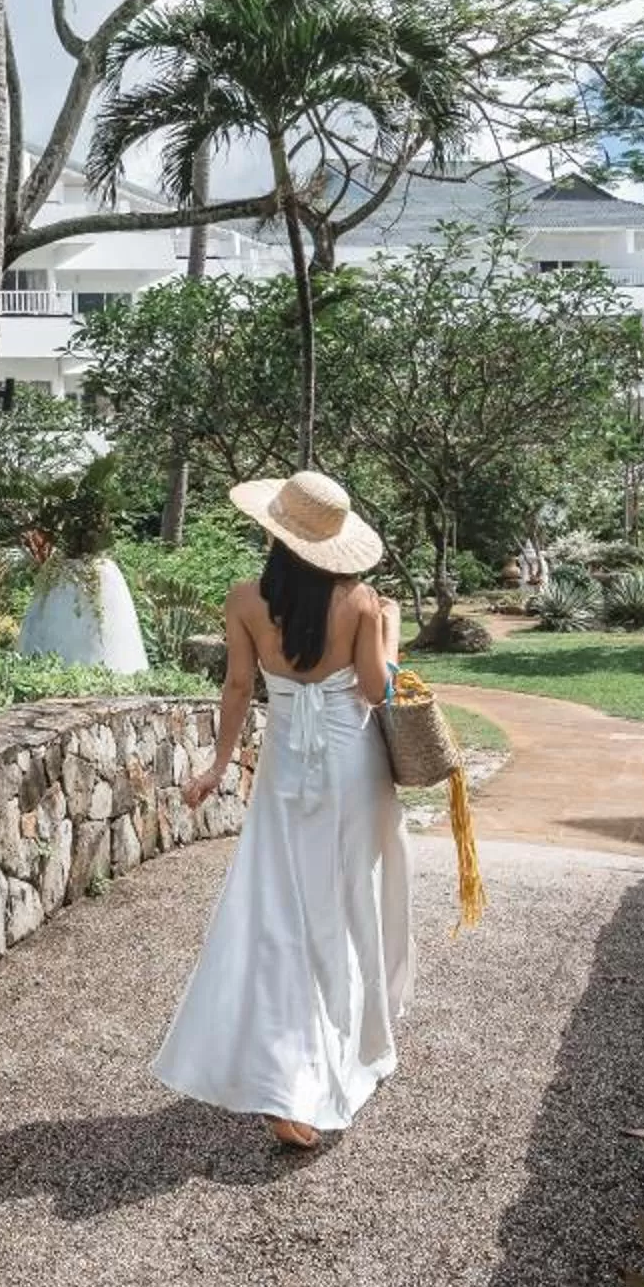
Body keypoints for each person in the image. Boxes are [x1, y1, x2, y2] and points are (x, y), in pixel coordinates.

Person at [152, 471, 414, 1150]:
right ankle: (325, 1062)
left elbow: (239, 686)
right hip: (352, 769)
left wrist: (216, 765)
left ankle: (282, 1074)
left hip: (285, 772)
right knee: (348, 906)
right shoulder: (360, 601)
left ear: (274, 534)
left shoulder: (243, 600)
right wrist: (390, 630)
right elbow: (376, 690)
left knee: (280, 912)